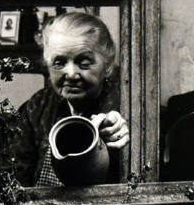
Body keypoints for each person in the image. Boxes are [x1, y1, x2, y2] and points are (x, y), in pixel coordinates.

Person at [11, 12, 130, 186]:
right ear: (47, 63)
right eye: (59, 62)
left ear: (108, 65)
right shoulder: (37, 106)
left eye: (84, 62)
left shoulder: (127, 103)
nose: (71, 74)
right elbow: (18, 177)